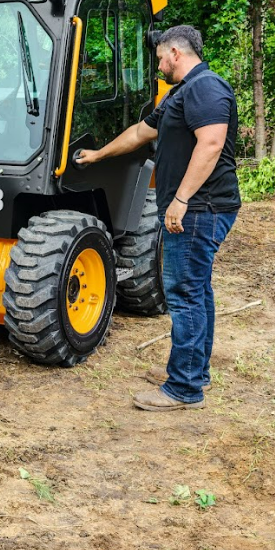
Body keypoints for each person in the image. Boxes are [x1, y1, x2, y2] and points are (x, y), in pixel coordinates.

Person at [75, 25, 240, 411]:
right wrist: (98, 155)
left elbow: (212, 143)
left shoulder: (205, 87)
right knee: (197, 290)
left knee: (183, 293)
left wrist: (181, 200)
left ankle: (183, 388)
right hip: (197, 207)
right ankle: (194, 373)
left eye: (161, 57)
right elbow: (139, 133)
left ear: (176, 53)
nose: (158, 65)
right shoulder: (180, 94)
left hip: (202, 208)